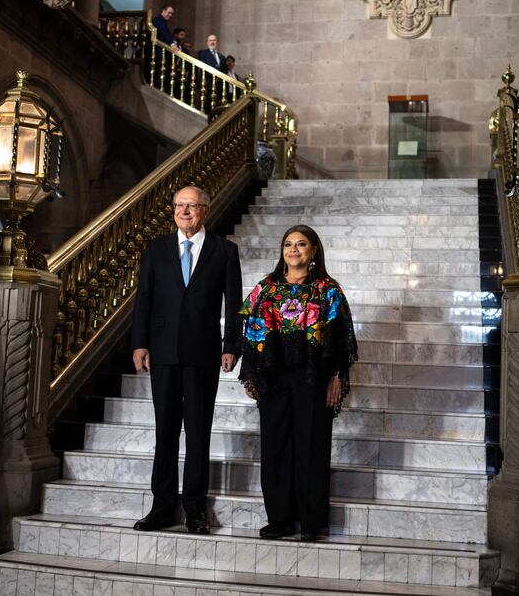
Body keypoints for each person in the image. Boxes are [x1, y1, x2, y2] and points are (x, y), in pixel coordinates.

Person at [131, 186, 243, 535]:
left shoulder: (225, 251)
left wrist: (231, 346)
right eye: (179, 205)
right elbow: (144, 300)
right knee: (165, 431)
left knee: (198, 432)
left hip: (203, 353)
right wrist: (140, 343)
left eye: (192, 206)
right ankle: (162, 507)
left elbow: (234, 301)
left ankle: (195, 509)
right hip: (162, 352)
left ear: (205, 211)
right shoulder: (156, 249)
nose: (184, 211)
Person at [237, 225, 358, 541]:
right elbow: (245, 323)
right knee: (275, 448)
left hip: (313, 378)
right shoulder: (265, 288)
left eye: (301, 244)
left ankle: (311, 521)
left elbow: (342, 339)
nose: (293, 249)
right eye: (288, 244)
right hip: (274, 377)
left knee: (312, 447)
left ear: (313, 250)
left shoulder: (328, 290)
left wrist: (336, 377)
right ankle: (279, 519)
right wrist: (251, 373)